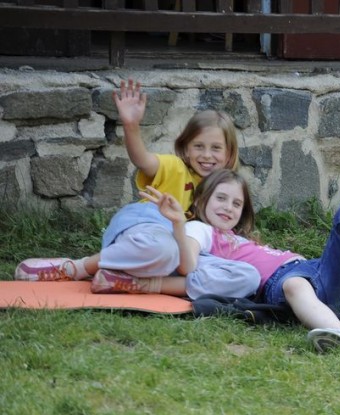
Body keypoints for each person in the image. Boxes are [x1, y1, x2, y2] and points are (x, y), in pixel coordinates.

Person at [15, 79, 260, 300]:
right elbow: (143, 160)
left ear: (229, 154)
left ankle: (125, 280)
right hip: (150, 226)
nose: (207, 155)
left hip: (182, 252)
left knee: (246, 276)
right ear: (186, 149)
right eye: (199, 146)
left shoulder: (226, 188)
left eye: (216, 148)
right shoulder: (176, 167)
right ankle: (78, 267)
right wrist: (131, 125)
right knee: (165, 251)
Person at [138, 169, 340, 356]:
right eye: (221, 198)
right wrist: (179, 224)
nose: (228, 208)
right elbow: (187, 265)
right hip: (281, 282)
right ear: (201, 201)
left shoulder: (239, 238)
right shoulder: (201, 229)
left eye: (237, 203)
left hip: (313, 270)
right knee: (295, 284)